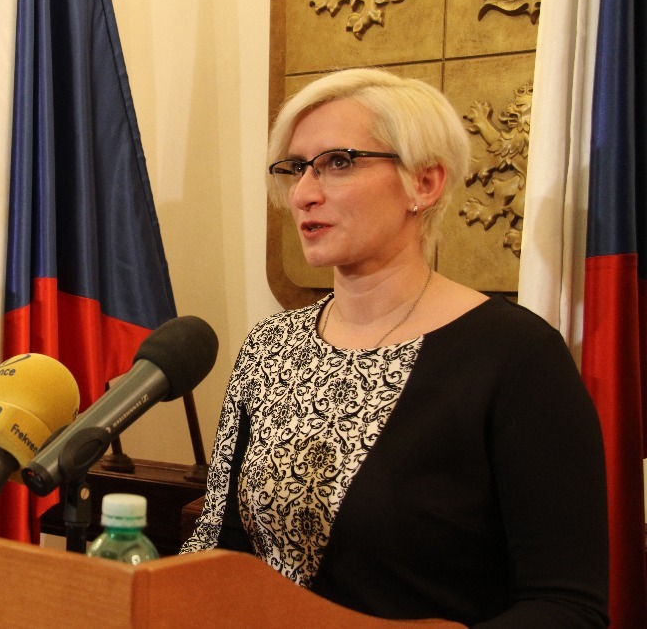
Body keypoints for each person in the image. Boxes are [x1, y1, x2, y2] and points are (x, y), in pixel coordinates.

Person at [180, 68, 609, 627]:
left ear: (424, 183)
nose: (304, 194)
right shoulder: (271, 345)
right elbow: (222, 543)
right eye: (295, 168)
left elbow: (567, 606)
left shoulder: (517, 356)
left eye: (338, 162)